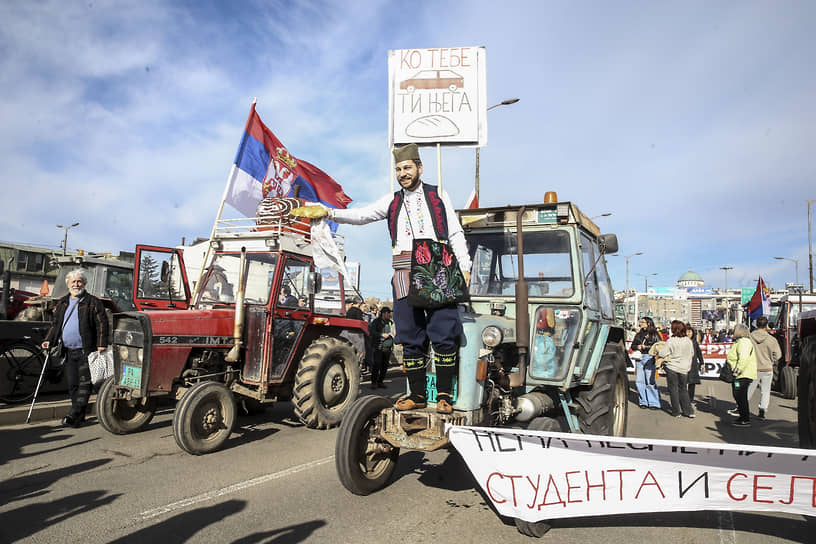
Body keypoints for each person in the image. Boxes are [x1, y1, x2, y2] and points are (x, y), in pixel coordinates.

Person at [293, 143, 471, 414]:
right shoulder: (392, 201)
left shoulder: (438, 195)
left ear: (420, 168)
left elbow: (456, 233)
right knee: (410, 336)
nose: (403, 173)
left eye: (408, 167)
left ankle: (445, 395)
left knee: (443, 334)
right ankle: (418, 396)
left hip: (438, 271)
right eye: (399, 169)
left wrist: (465, 267)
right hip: (403, 271)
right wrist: (328, 212)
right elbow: (362, 215)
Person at [41, 269, 109, 427]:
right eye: (74, 282)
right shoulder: (63, 302)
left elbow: (102, 324)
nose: (76, 284)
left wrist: (101, 344)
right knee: (72, 385)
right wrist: (48, 340)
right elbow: (56, 324)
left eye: (79, 281)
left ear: (84, 283)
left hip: (87, 350)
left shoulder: (93, 302)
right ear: (68, 284)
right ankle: (79, 415)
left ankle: (73, 414)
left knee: (84, 385)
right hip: (68, 351)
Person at [658, 320, 695, 418]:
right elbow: (692, 354)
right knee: (683, 389)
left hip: (672, 367)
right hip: (684, 368)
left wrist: (659, 350)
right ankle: (688, 411)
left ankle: (676, 411)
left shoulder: (671, 341)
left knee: (673, 390)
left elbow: (662, 353)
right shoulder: (688, 341)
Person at [748, 316, 780, 420]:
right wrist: (771, 359)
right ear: (766, 325)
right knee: (765, 391)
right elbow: (778, 355)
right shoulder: (771, 339)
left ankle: (743, 408)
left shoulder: (749, 337)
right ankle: (762, 410)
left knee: (749, 389)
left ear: (756, 324)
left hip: (753, 367)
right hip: (767, 368)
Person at [725, 323, 757, 426]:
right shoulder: (741, 342)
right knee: (739, 395)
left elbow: (743, 358)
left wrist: (737, 371)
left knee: (740, 395)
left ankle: (744, 418)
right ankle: (743, 417)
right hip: (742, 374)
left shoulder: (743, 343)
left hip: (742, 374)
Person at [631, 316, 662, 410]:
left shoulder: (654, 334)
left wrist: (646, 347)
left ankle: (654, 402)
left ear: (648, 323)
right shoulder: (639, 334)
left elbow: (659, 346)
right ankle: (643, 401)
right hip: (639, 358)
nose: (641, 324)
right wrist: (638, 347)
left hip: (649, 357)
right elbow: (633, 345)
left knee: (650, 381)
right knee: (639, 381)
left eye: (643, 322)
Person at [369, 307, 395, 388]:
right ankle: (374, 382)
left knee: (385, 366)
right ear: (384, 313)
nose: (390, 315)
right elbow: (372, 332)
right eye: (388, 313)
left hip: (388, 347)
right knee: (377, 365)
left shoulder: (390, 322)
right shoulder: (376, 321)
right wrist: (381, 334)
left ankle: (380, 381)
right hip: (379, 346)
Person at [685, 323, 705, 403]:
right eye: (687, 332)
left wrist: (702, 363)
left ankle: (690, 398)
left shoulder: (694, 342)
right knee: (683, 382)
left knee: (692, 383)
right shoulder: (683, 342)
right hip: (684, 364)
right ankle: (684, 398)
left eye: (690, 332)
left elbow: (699, 353)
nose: (689, 333)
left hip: (693, 365)